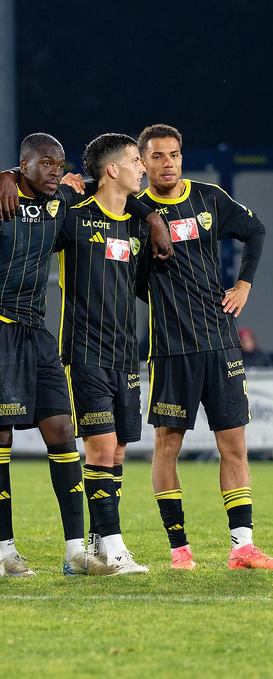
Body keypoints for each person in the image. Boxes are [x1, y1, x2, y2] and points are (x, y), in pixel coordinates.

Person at [0, 133, 123, 577]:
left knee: (62, 431)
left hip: (36, 330)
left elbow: (114, 198)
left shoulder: (61, 198)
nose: (55, 171)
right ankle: (6, 554)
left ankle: (75, 551)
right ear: (23, 165)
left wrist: (153, 220)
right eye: (45, 163)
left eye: (59, 164)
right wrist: (2, 178)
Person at [136, 123, 270, 570]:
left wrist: (245, 284)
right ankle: (180, 550)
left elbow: (256, 231)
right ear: (143, 162)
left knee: (234, 445)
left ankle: (242, 547)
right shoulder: (133, 213)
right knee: (166, 447)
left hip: (220, 342)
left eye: (173, 154)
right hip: (171, 348)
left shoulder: (209, 197)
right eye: (156, 156)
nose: (167, 163)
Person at [56, 133, 153, 574]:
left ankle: (95, 549)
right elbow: (27, 241)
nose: (143, 167)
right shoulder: (73, 217)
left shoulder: (136, 224)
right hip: (85, 351)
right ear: (112, 169)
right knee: (101, 448)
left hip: (125, 355)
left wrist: (150, 217)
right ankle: (113, 549)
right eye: (136, 160)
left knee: (117, 454)